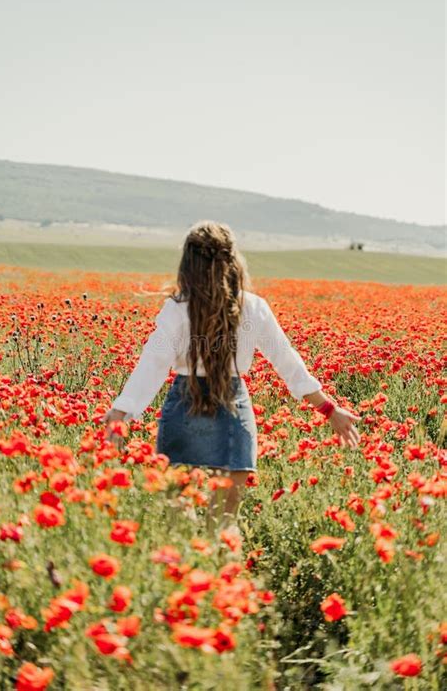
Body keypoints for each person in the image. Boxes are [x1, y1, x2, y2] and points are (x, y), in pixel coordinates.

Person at [102, 220, 361, 528]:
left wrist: (122, 412)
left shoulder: (177, 308)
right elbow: (286, 360)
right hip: (233, 411)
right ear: (233, 259)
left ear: (188, 262)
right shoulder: (254, 308)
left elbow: (152, 364)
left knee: (178, 525)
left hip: (185, 410)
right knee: (223, 526)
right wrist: (328, 409)